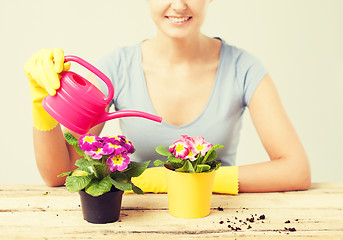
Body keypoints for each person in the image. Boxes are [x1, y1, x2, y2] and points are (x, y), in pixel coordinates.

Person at [24, 0, 311, 194]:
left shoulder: (243, 69)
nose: (178, 4)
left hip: (219, 218)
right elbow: (59, 174)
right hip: (136, 220)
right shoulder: (116, 69)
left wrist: (187, 181)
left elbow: (295, 169)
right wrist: (43, 108)